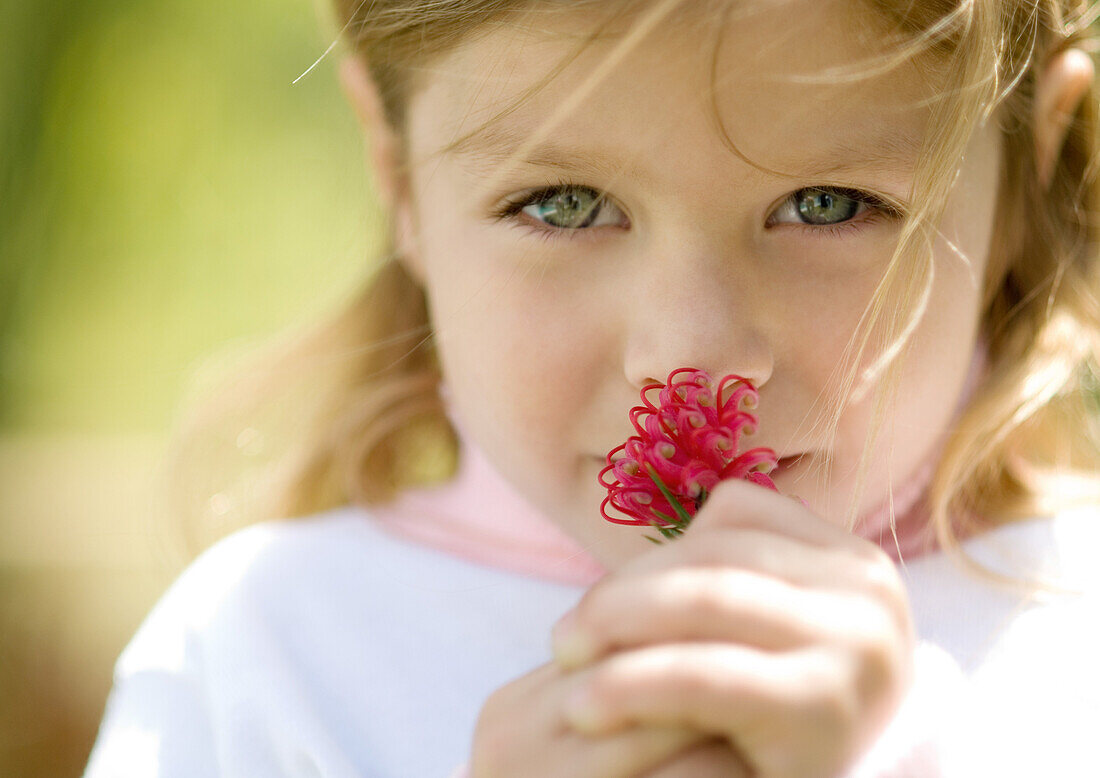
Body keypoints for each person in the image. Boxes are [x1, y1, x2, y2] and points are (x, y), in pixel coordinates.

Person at [85, 0, 1100, 775]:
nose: (688, 356)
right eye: (563, 204)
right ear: (396, 174)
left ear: (1026, 164)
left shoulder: (1066, 633)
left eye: (825, 204)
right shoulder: (262, 656)